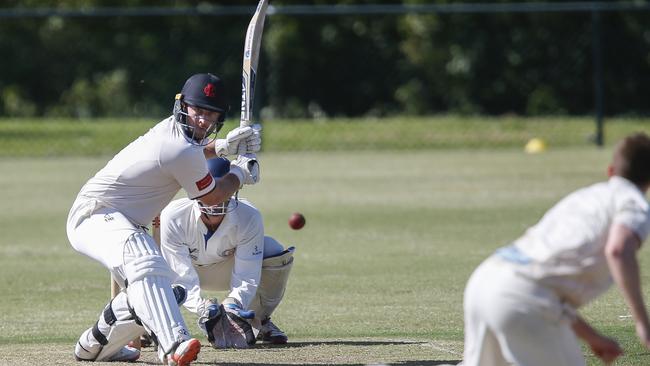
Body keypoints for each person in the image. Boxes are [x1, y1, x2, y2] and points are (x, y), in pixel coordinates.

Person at [67, 73, 261, 365]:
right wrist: (240, 173)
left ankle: (93, 346)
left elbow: (195, 153)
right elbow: (211, 197)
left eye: (212, 114)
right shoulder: (178, 147)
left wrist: (224, 147)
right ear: (182, 106)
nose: (204, 121)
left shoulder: (178, 137)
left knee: (157, 292)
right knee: (145, 258)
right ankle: (174, 345)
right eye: (199, 111)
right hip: (95, 214)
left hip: (118, 221)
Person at [461, 132, 650, 366]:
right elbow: (618, 250)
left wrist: (592, 337)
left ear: (611, 171)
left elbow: (547, 289)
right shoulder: (633, 204)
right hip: (522, 300)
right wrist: (642, 322)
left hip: (484, 282)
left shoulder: (583, 198)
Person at [159, 156, 295, 348]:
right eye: (208, 192)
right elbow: (181, 276)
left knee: (273, 250)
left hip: (226, 269)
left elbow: (247, 273)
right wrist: (202, 308)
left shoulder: (249, 216)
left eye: (220, 192)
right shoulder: (174, 215)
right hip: (186, 271)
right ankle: (152, 326)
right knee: (145, 256)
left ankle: (259, 320)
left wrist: (234, 303)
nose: (214, 201)